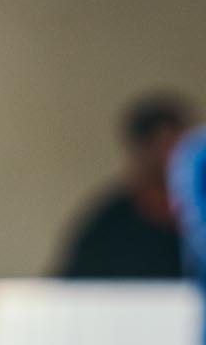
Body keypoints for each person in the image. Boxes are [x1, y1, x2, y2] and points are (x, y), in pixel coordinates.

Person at [54, 93, 198, 280]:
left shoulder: (198, 219)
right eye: (160, 146)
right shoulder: (110, 225)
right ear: (139, 152)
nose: (169, 156)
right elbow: (72, 290)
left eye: (178, 146)